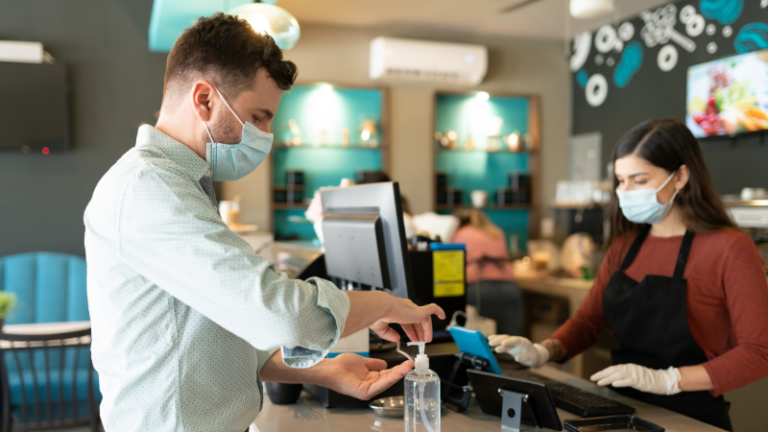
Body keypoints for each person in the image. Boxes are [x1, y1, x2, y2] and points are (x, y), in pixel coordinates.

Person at [83, 14, 444, 432]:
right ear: (205, 99)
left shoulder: (181, 184)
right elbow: (281, 313)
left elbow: (211, 333)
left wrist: (321, 370)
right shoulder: (149, 188)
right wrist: (382, 303)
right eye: (257, 117)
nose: (266, 135)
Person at [489, 119, 768, 431]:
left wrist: (667, 380)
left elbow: (759, 352)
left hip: (689, 418)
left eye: (639, 180)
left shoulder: (730, 248)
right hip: (620, 411)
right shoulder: (625, 245)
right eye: (620, 181)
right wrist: (544, 350)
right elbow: (588, 321)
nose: (625, 192)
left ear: (680, 176)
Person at [452, 208, 523, 335]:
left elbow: (454, 267)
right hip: (509, 290)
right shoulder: (497, 232)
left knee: (482, 339)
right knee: (509, 341)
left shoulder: (460, 233)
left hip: (478, 290)